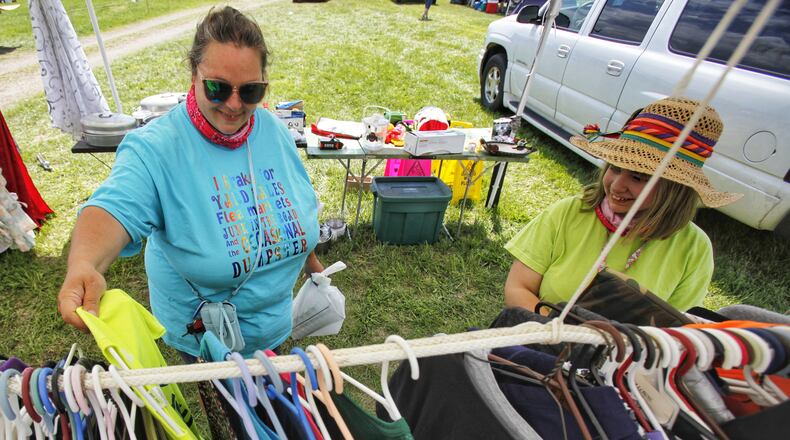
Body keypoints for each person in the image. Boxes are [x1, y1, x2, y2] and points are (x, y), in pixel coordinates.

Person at [57, 6, 324, 358]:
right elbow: (113, 207)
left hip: (274, 329)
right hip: (207, 338)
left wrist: (310, 260)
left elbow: (289, 205)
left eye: (250, 92)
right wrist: (84, 264)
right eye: (217, 88)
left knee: (269, 412)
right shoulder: (157, 147)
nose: (233, 104)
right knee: (230, 412)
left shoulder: (274, 131)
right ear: (193, 75)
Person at [504, 96, 742, 313]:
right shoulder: (569, 212)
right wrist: (558, 333)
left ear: (674, 191)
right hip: (540, 337)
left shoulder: (694, 248)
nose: (617, 186)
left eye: (638, 178)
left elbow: (674, 330)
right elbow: (518, 287)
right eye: (615, 168)